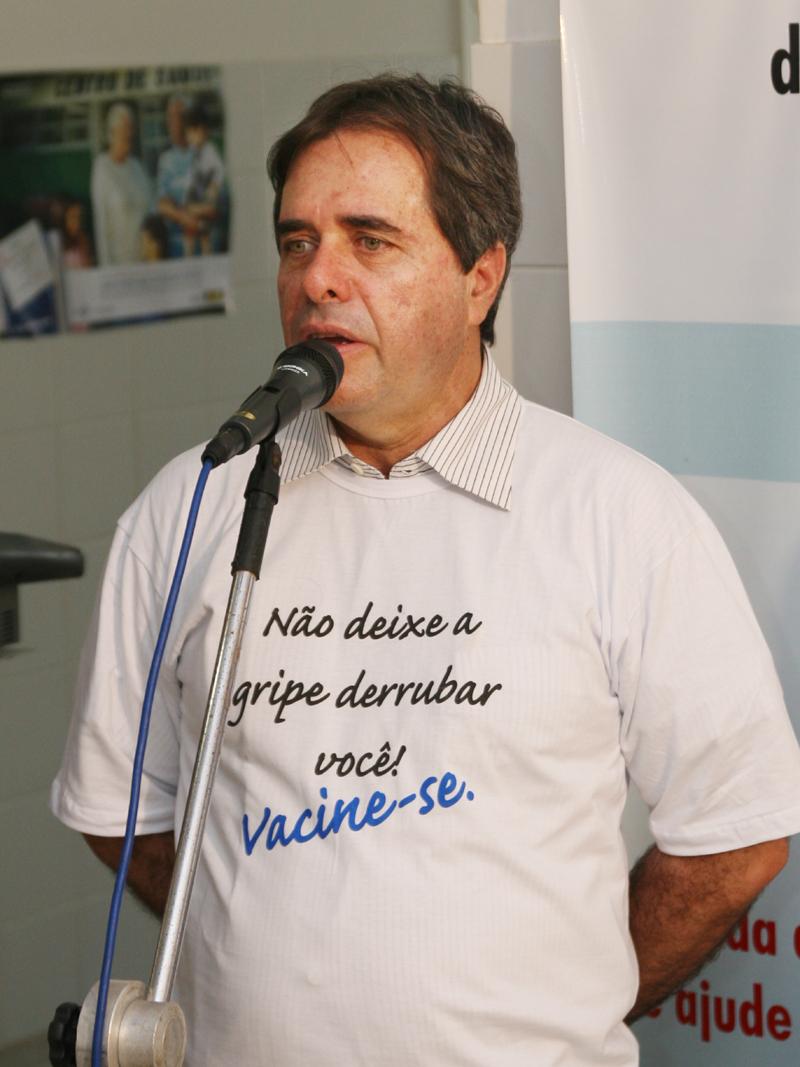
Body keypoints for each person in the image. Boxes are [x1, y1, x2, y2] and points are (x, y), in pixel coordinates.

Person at [51, 74, 800, 1067]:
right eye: (296, 241)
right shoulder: (191, 504)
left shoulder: (618, 514)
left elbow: (736, 834)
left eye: (369, 240)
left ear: (480, 277)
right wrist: (252, 946)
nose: (319, 278)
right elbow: (120, 810)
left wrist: (570, 998)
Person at [90, 102, 152, 266]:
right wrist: (107, 269)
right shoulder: (102, 168)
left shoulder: (137, 167)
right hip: (119, 264)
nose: (129, 134)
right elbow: (101, 225)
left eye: (131, 128)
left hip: (145, 261)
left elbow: (151, 211)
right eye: (124, 129)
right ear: (112, 132)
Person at [182, 101, 226, 256]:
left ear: (201, 131)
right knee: (191, 228)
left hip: (206, 198)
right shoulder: (194, 153)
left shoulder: (210, 152)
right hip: (196, 196)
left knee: (204, 233)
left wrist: (213, 189)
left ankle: (205, 254)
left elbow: (219, 173)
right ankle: (189, 256)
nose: (188, 138)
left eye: (190, 133)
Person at [155, 94, 196, 259]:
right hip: (176, 248)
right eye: (170, 117)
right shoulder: (166, 160)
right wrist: (183, 217)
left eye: (178, 116)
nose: (172, 123)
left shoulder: (203, 152)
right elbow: (162, 204)